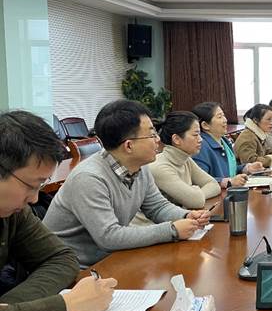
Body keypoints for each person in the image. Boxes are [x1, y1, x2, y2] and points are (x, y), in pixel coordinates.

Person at [0, 110, 116, 311]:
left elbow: (62, 258)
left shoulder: (14, 212)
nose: (34, 199)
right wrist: (69, 305)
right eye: (31, 185)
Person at [44, 100, 210, 266]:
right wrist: (172, 230)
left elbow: (157, 207)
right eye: (152, 135)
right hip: (74, 267)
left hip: (111, 258)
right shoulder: (89, 178)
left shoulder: (140, 167)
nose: (158, 140)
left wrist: (185, 216)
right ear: (129, 146)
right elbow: (109, 237)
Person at [149, 111, 223, 209]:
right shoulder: (159, 167)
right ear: (176, 139)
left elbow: (214, 185)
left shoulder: (186, 159)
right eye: (195, 135)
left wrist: (195, 193)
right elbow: (195, 201)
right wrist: (194, 195)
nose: (200, 139)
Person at [191, 102, 262, 189]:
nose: (225, 120)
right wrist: (228, 182)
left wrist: (247, 168)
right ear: (205, 125)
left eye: (223, 115)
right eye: (219, 117)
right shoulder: (200, 146)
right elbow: (200, 181)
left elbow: (229, 169)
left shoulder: (224, 141)